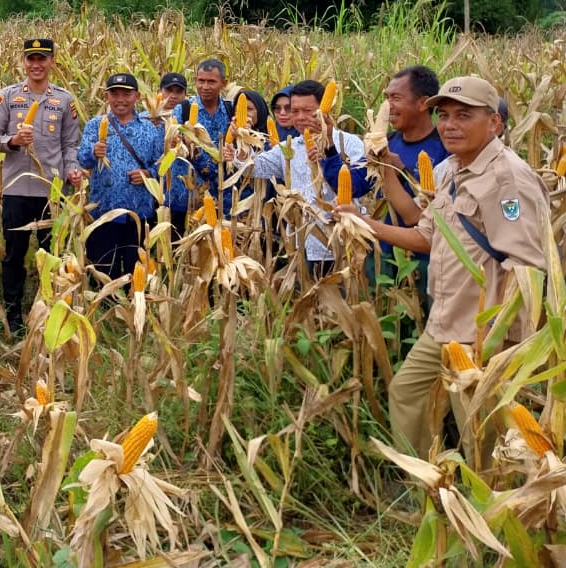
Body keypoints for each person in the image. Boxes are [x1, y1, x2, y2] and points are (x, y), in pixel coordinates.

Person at [333, 76, 551, 460]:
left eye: (464, 116)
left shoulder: (508, 180)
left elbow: (529, 269)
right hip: (446, 323)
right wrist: (363, 221)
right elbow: (425, 235)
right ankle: (426, 482)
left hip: (484, 332)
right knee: (407, 392)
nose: (450, 125)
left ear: (494, 122)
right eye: (444, 115)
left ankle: (485, 492)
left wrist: (496, 338)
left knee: (478, 427)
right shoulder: (449, 170)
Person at [319, 66, 446, 304]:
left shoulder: (444, 149)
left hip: (427, 261)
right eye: (386, 98)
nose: (387, 106)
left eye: (396, 98)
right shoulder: (388, 142)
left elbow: (419, 215)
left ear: (423, 103)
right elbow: (352, 186)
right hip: (386, 255)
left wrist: (398, 169)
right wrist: (328, 144)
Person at [0, 38, 82, 335]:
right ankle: (13, 315)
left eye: (42, 58)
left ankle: (49, 309)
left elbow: (69, 144)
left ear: (52, 61)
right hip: (16, 190)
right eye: (31, 59)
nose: (36, 65)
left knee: (51, 254)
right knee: (14, 255)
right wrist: (13, 141)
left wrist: (72, 169)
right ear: (24, 62)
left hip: (51, 192)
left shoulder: (64, 100)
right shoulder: (7, 97)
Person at [236, 79, 364, 276]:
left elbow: (357, 187)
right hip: (300, 243)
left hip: (339, 243)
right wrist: (242, 146)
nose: (300, 117)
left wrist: (328, 153)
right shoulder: (290, 146)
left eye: (308, 111)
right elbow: (255, 168)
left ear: (325, 110)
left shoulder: (348, 143)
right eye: (295, 111)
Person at [76, 73, 163, 280]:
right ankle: (107, 299)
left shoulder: (150, 129)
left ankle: (135, 299)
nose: (120, 99)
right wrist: (93, 152)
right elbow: (82, 160)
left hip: (139, 213)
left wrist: (148, 174)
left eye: (126, 94)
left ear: (137, 97)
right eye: (114, 94)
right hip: (104, 211)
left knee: (136, 271)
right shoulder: (95, 125)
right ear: (106, 97)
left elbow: (162, 165)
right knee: (105, 270)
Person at [164, 59, 233, 234]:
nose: (205, 86)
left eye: (211, 82)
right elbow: (172, 145)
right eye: (201, 81)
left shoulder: (230, 110)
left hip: (221, 195)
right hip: (186, 197)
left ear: (223, 83)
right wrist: (178, 143)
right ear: (195, 81)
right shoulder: (183, 109)